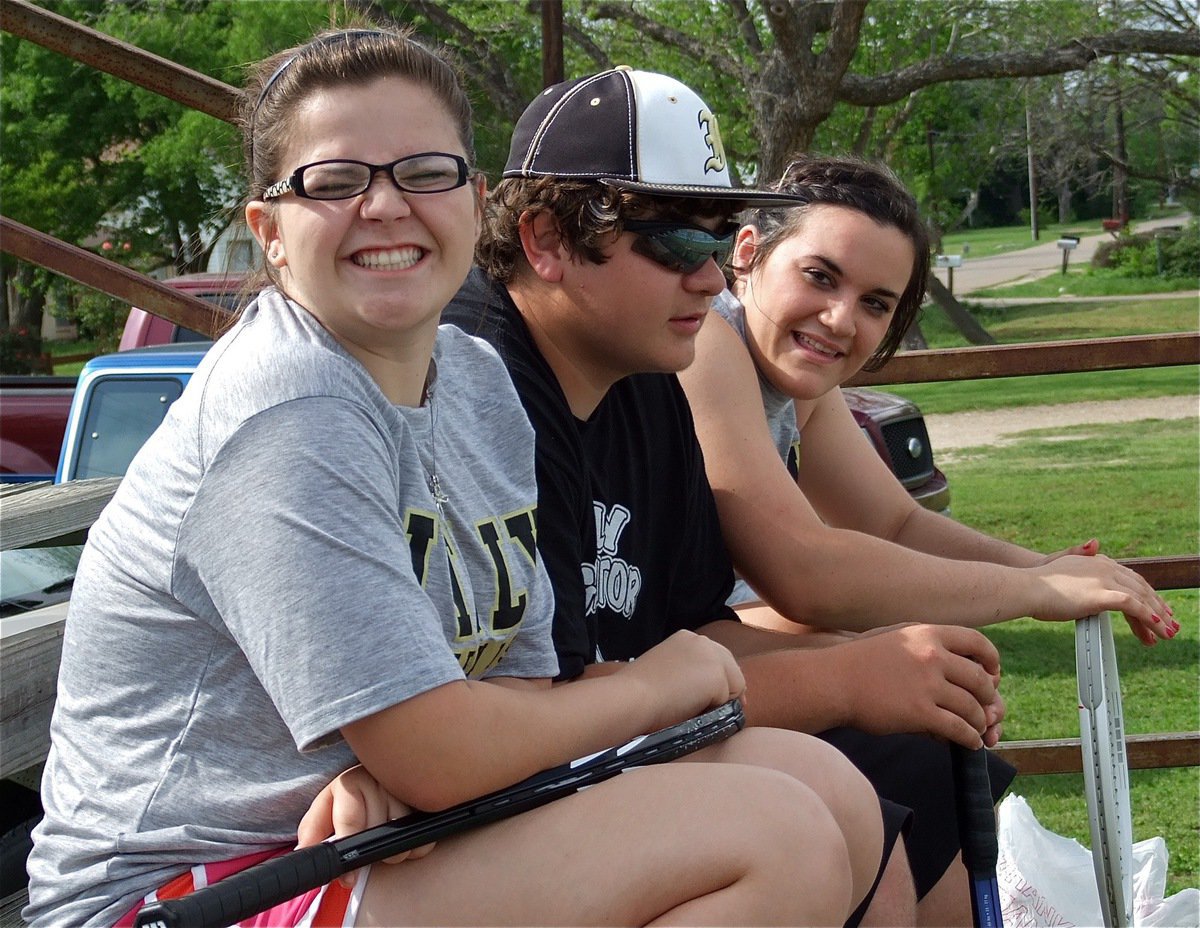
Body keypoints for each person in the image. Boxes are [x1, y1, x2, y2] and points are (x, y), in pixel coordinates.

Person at [23, 31, 881, 928]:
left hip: (371, 835)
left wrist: (407, 767)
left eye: (424, 173)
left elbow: (518, 689)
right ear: (270, 234)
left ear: (474, 207)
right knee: (777, 837)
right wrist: (651, 687)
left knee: (825, 788)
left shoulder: (475, 381)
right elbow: (445, 748)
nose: (385, 205)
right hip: (182, 890)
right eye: (334, 181)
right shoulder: (286, 408)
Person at [444, 66, 923, 925]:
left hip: (560, 753)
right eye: (675, 242)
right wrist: (846, 679)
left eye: (720, 236)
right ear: (545, 239)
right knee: (796, 830)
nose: (710, 278)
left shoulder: (646, 369)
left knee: (858, 810)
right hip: (417, 809)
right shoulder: (480, 380)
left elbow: (692, 630)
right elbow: (537, 710)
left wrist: (884, 660)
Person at [674, 153, 1180, 921]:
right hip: (644, 690)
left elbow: (896, 521)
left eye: (875, 303)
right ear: (747, 253)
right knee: (908, 736)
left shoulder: (798, 381)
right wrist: (1031, 589)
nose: (841, 319)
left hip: (706, 664)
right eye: (820, 277)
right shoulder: (711, 339)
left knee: (930, 723)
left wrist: (1053, 568)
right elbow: (804, 573)